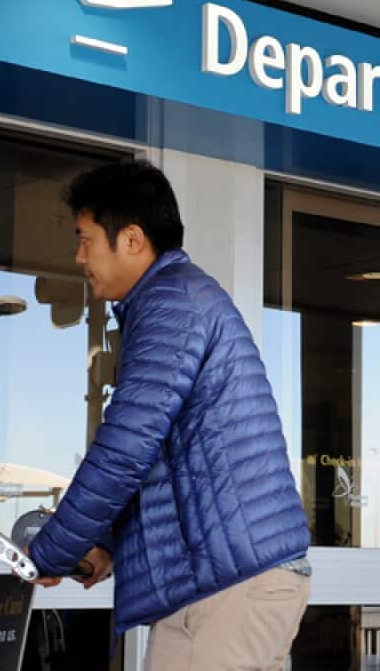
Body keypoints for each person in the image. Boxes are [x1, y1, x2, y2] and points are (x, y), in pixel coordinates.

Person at [26, 160, 311, 671]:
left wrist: (51, 549)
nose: (79, 256)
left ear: (132, 239)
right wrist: (105, 544)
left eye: (86, 240)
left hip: (230, 589)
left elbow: (126, 448)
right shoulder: (172, 302)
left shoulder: (171, 304)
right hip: (233, 581)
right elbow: (160, 457)